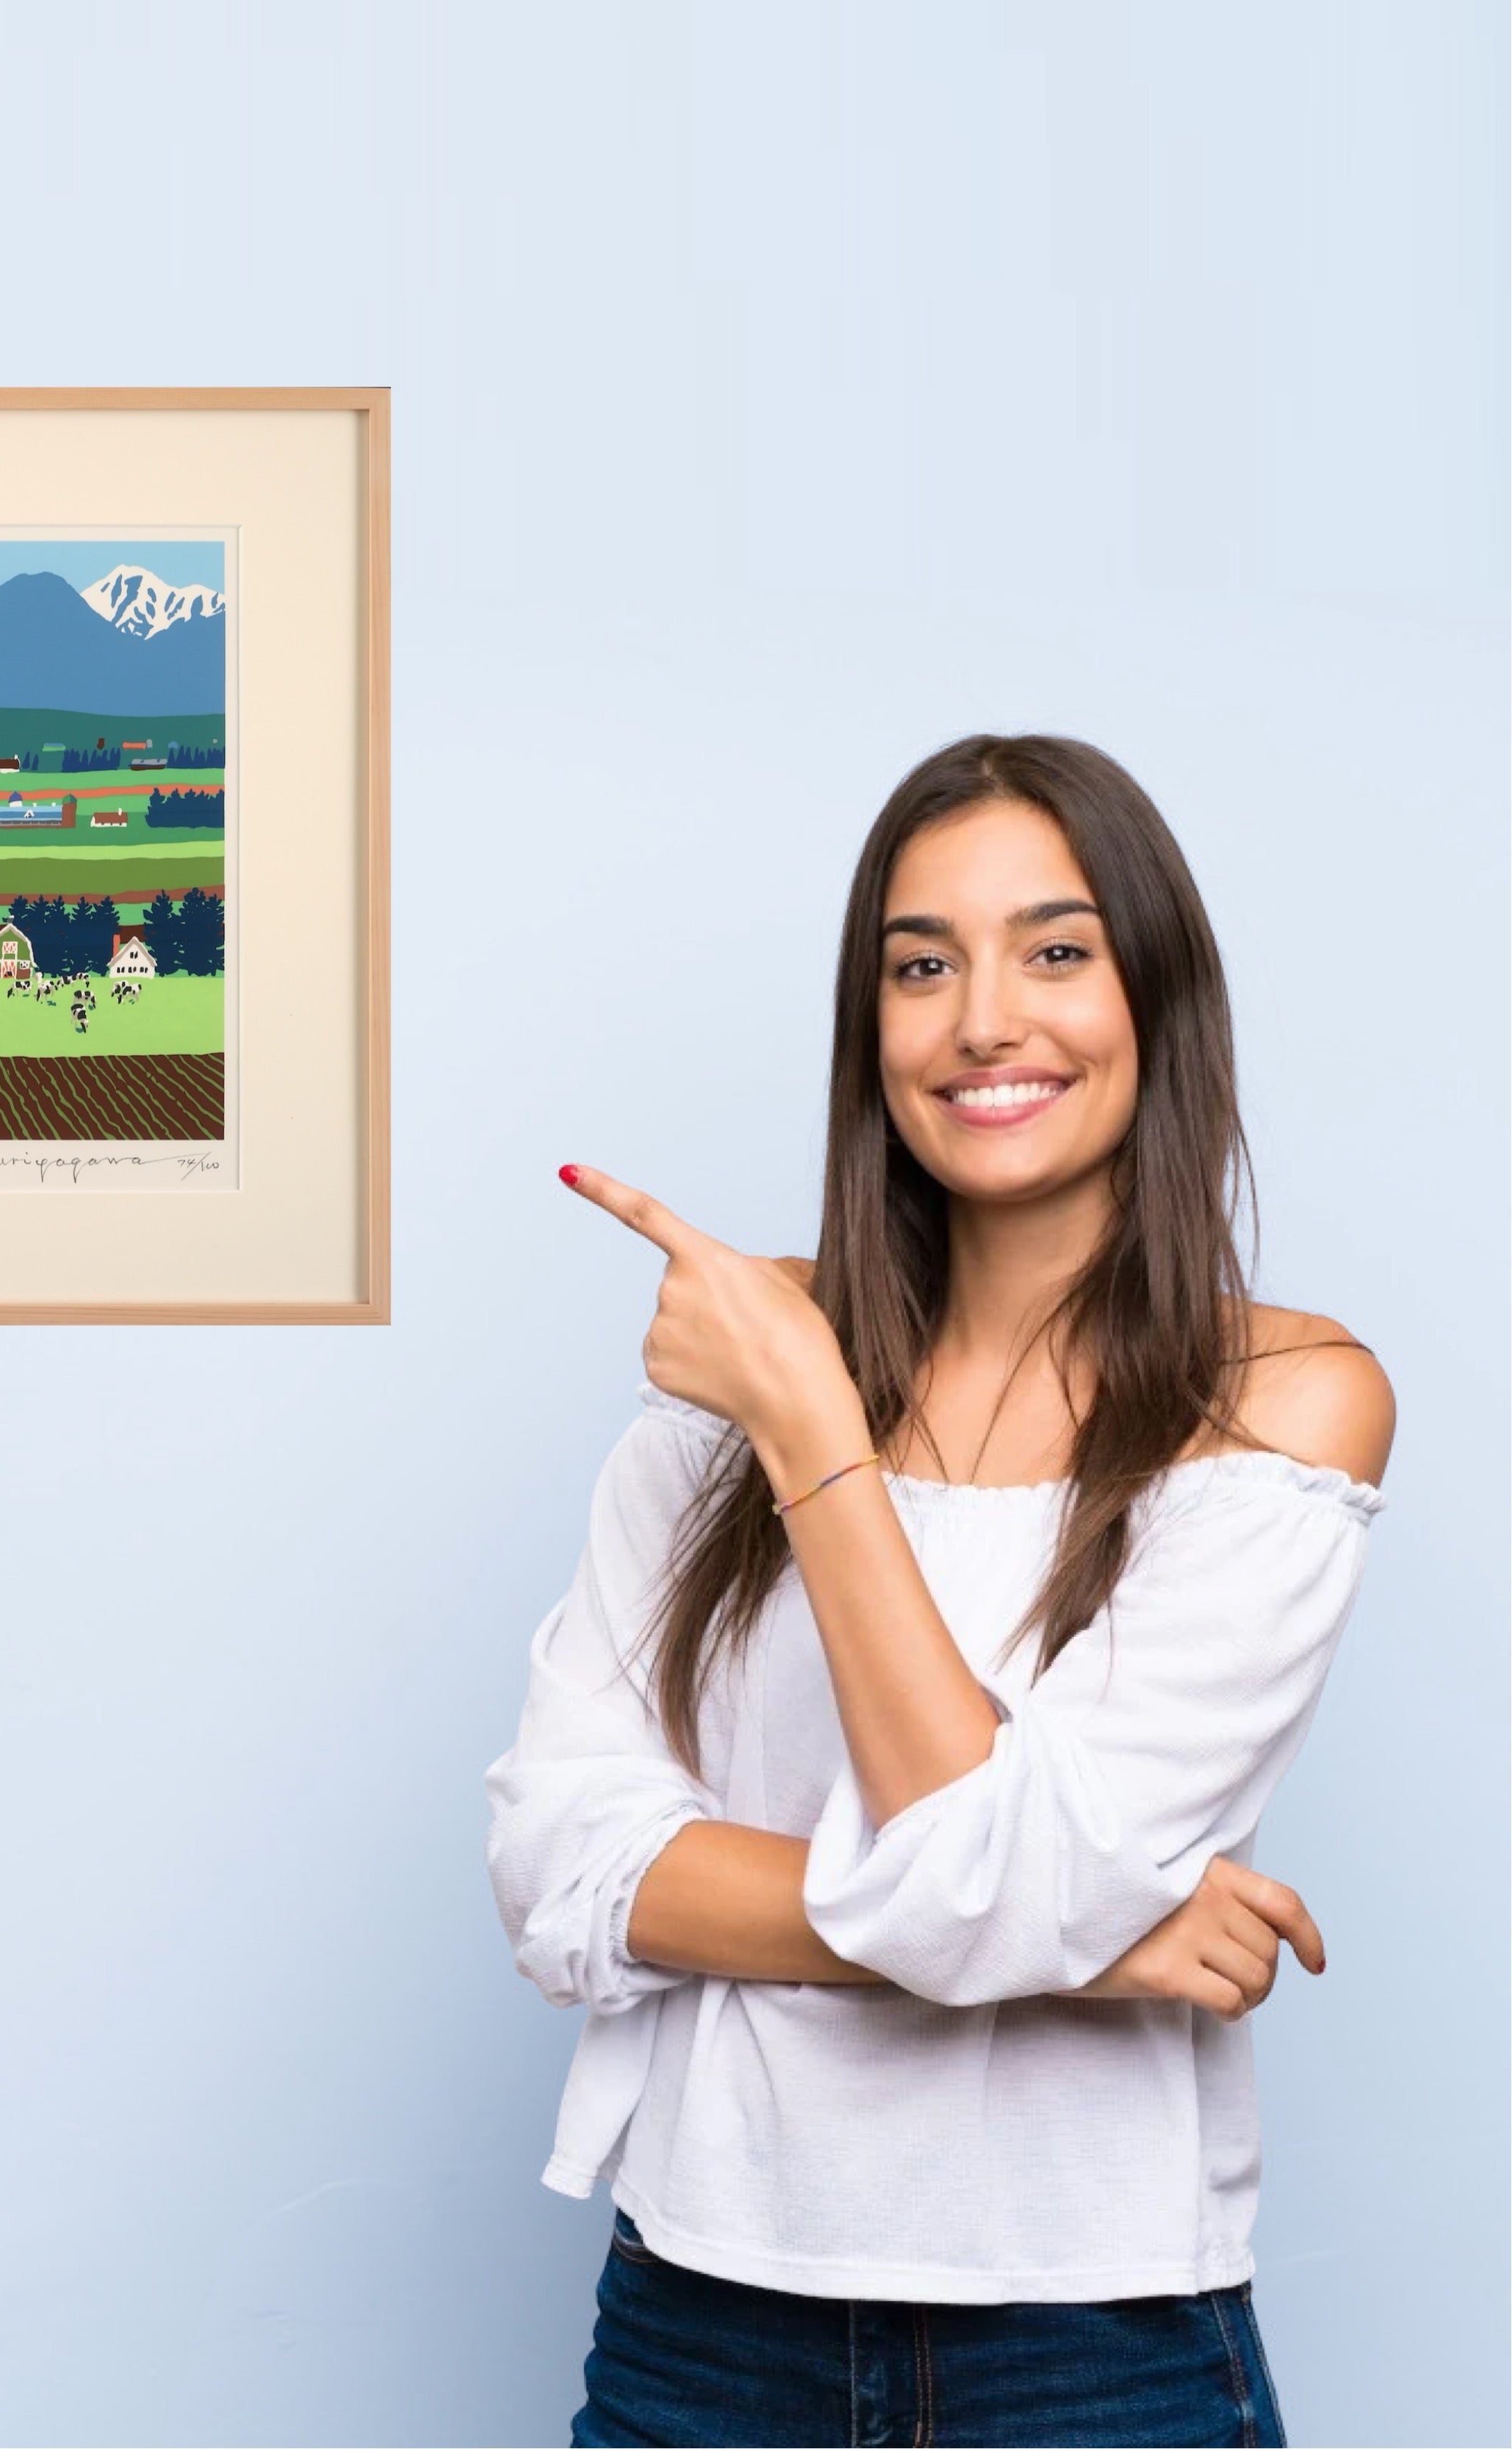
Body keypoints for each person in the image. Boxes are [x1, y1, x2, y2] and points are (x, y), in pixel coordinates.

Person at [484, 734, 1395, 2448]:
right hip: (699, 2323)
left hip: (1090, 2351)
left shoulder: (1282, 1407)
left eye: (1056, 951)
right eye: (922, 966)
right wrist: (1089, 1942)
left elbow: (986, 1888)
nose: (985, 1019)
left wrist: (819, 1435)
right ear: (870, 1030)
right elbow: (558, 1870)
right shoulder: (736, 1382)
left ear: (1159, 1001)